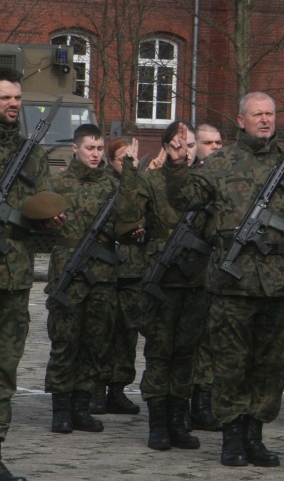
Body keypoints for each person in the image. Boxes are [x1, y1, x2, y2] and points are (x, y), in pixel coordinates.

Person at [163, 92, 284, 468]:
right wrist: (176, 167)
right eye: (257, 114)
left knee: (270, 364)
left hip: (277, 283)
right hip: (232, 283)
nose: (266, 120)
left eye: (271, 114)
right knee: (230, 363)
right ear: (241, 120)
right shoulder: (221, 162)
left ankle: (255, 436)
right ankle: (232, 439)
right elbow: (187, 199)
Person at [0, 67, 65, 481]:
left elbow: (43, 209)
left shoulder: (32, 153)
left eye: (17, 98)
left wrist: (51, 220)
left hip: (14, 279)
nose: (12, 104)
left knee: (2, 369)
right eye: (4, 97)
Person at [45, 124, 142, 437]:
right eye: (90, 148)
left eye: (100, 149)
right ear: (76, 148)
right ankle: (61, 410)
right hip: (67, 276)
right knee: (65, 343)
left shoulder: (113, 185)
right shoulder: (58, 183)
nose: (96, 154)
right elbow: (38, 227)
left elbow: (125, 223)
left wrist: (130, 179)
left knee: (94, 344)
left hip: (101, 278)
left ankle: (82, 407)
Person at [122, 122, 209, 451]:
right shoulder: (152, 180)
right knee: (159, 352)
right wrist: (131, 173)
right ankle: (158, 423)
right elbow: (127, 215)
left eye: (188, 144)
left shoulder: (204, 184)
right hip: (161, 278)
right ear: (166, 145)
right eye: (176, 143)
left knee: (186, 354)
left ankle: (178, 420)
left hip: (195, 279)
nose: (183, 149)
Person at [87, 137, 146, 417]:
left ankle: (118, 389)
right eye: (122, 158)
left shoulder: (139, 186)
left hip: (133, 269)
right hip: (106, 269)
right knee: (103, 331)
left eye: (131, 159)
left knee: (127, 332)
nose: (127, 163)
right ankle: (96, 389)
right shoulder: (105, 184)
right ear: (111, 161)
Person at [187, 122, 225, 431]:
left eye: (218, 143)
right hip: (187, 269)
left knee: (213, 340)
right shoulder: (190, 181)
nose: (215, 148)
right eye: (208, 143)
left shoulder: (225, 179)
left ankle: (204, 401)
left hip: (215, 268)